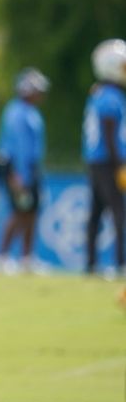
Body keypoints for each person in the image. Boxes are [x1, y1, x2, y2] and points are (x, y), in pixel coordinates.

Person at [0, 68, 50, 275]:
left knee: (31, 212)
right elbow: (18, 148)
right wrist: (18, 175)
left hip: (30, 170)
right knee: (18, 212)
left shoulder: (29, 111)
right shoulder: (17, 112)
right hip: (18, 170)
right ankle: (1, 256)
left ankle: (27, 257)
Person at [83, 39, 126, 279]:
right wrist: (119, 164)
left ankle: (91, 264)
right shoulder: (110, 96)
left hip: (96, 162)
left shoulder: (99, 93)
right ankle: (120, 263)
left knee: (96, 213)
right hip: (108, 161)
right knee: (118, 212)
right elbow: (110, 133)